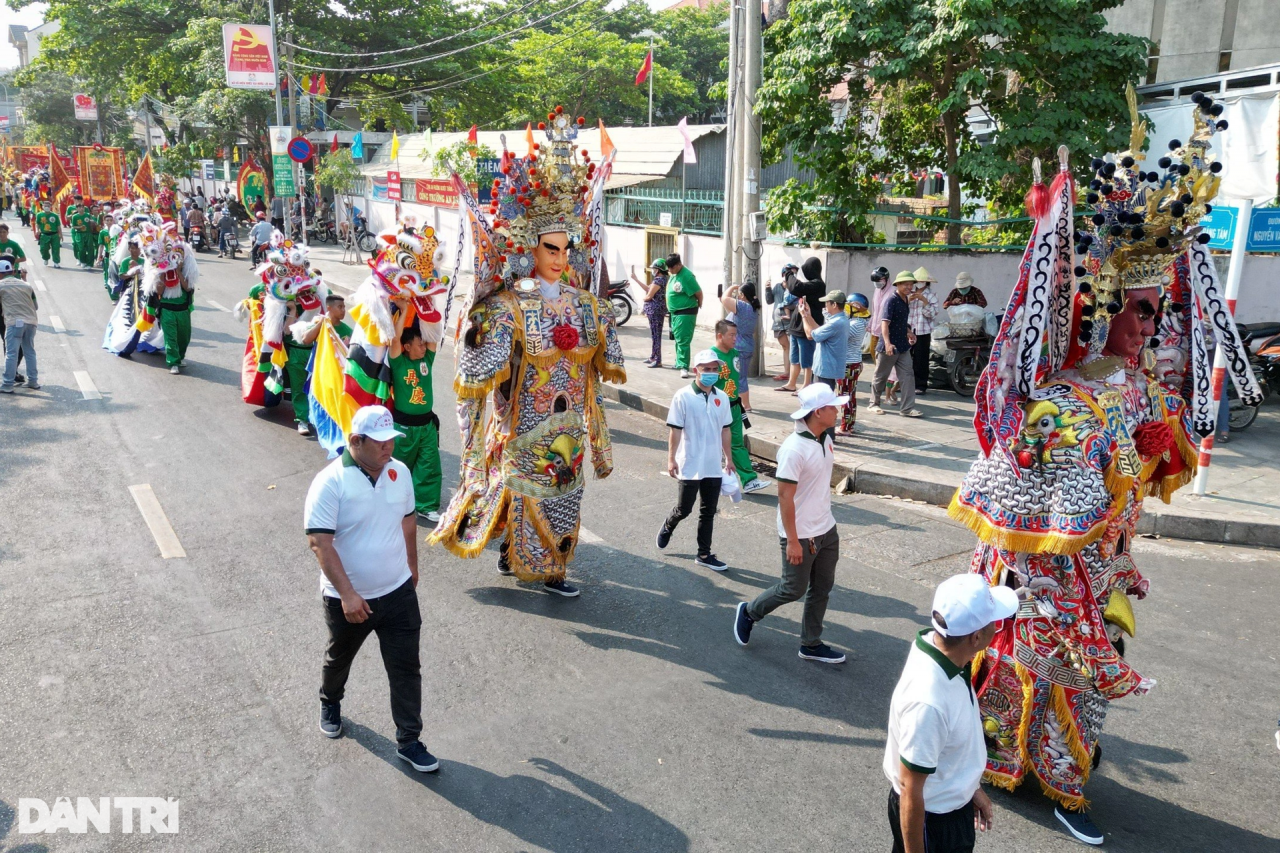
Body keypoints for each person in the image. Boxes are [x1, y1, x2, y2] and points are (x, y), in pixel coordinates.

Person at [947, 98, 1262, 845]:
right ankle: (1039, 777)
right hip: (1045, 579)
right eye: (1143, 313)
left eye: (1159, 314)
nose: (1153, 328)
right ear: (1106, 309)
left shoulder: (1139, 385)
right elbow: (1024, 496)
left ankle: (1057, 767)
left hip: (1104, 568)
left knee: (1087, 675)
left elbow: (1152, 467)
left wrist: (1165, 442)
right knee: (1048, 671)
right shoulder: (1062, 397)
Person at [430, 109, 626, 598]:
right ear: (530, 248)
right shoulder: (509, 306)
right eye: (551, 249)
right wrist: (491, 346)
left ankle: (553, 563)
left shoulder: (588, 306)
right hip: (523, 424)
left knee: (566, 491)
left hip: (569, 426)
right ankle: (525, 559)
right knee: (524, 488)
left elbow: (599, 374)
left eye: (566, 249)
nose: (561, 259)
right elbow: (481, 369)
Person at [303, 405, 438, 772]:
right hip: (349, 601)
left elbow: (409, 521)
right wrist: (347, 595)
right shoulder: (330, 482)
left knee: (407, 667)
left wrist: (412, 566)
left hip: (397, 592)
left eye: (391, 441)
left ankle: (409, 741)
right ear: (355, 441)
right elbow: (320, 542)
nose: (388, 449)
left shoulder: (400, 473)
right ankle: (330, 700)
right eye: (379, 442)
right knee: (339, 659)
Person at [884, 574, 1017, 853]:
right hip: (933, 820)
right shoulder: (928, 702)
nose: (998, 626)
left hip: (945, 806)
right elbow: (910, 789)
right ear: (976, 637)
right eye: (994, 621)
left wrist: (970, 788)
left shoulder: (942, 649)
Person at [733, 383, 847, 664]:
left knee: (822, 589)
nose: (838, 410)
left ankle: (810, 643)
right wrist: (793, 540)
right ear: (818, 412)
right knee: (792, 589)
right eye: (833, 406)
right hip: (802, 534)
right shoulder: (794, 450)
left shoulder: (825, 439)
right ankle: (749, 612)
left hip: (826, 529)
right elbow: (784, 497)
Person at [656, 349, 734, 571]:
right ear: (695, 371)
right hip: (689, 463)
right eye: (706, 369)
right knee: (684, 508)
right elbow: (676, 431)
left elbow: (725, 430)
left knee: (708, 511)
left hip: (712, 464)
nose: (711, 373)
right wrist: (671, 459)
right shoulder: (683, 396)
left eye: (714, 369)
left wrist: (728, 458)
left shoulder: (722, 397)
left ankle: (704, 554)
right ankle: (669, 525)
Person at [388, 297, 442, 523]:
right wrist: (404, 310)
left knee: (429, 466)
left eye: (423, 343)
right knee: (399, 467)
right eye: (419, 344)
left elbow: (433, 336)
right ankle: (393, 503)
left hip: (427, 427)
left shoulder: (426, 360)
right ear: (407, 347)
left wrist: (425, 305)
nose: (423, 346)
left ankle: (426, 506)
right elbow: (395, 338)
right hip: (403, 428)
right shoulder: (399, 362)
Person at [710, 319, 770, 495]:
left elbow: (737, 380)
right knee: (711, 445)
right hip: (718, 408)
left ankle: (749, 480)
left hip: (734, 407)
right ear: (720, 336)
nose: (735, 338)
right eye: (732, 335)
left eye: (736, 335)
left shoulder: (735, 353)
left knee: (736, 444)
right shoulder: (711, 357)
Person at [869, 271, 921, 417]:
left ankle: (907, 408)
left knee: (908, 376)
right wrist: (887, 343)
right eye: (906, 284)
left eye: (910, 284)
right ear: (897, 285)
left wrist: (909, 332)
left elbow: (901, 322)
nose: (909, 287)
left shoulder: (905, 300)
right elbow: (884, 323)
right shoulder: (891, 300)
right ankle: (874, 404)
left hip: (903, 345)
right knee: (881, 376)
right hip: (889, 346)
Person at [778, 257, 826, 391]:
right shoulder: (811, 284)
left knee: (806, 359)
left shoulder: (818, 284)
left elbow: (796, 287)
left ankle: (806, 384)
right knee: (795, 358)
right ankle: (791, 383)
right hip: (796, 326)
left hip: (807, 326)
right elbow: (796, 287)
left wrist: (789, 273)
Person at [0, 258, 39, 392]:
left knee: (11, 353)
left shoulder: (1, 285)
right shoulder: (26, 285)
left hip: (15, 322)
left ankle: (7, 384)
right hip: (32, 322)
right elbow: (35, 306)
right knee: (30, 352)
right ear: (12, 271)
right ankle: (33, 381)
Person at [720, 282, 759, 413]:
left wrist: (732, 287)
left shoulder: (742, 306)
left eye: (739, 294)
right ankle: (736, 401)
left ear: (742, 295)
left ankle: (746, 405)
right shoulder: (752, 308)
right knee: (737, 375)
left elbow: (724, 298)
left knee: (740, 377)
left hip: (739, 347)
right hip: (746, 345)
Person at [802, 289, 850, 391]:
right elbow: (818, 331)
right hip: (828, 369)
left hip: (826, 369)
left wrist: (803, 316)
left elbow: (810, 335)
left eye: (827, 303)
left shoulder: (836, 322)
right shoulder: (840, 319)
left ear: (834, 305)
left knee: (822, 403)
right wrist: (808, 316)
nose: (825, 305)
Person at [838, 293, 871, 433]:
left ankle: (846, 427)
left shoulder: (854, 324)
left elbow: (839, 337)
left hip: (848, 364)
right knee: (850, 395)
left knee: (845, 396)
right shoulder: (861, 322)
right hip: (854, 362)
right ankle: (849, 425)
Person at [665, 252, 701, 378]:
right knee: (678, 339)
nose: (669, 270)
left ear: (679, 265)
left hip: (686, 311)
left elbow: (698, 292)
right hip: (675, 312)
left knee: (683, 340)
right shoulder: (675, 274)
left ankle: (684, 366)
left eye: (672, 267)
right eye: (668, 268)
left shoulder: (687, 276)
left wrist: (699, 305)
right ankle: (679, 362)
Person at [908, 266, 939, 395]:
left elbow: (932, 314)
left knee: (921, 359)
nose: (919, 283)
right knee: (905, 358)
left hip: (923, 331)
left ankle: (920, 385)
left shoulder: (931, 296)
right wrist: (908, 300)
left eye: (922, 281)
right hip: (908, 329)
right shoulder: (908, 293)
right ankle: (903, 383)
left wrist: (924, 301)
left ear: (926, 282)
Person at [632, 258, 668, 367]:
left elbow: (649, 295)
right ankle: (653, 356)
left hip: (656, 311)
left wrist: (644, 299)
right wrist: (636, 280)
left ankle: (658, 360)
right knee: (654, 334)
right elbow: (649, 289)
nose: (653, 270)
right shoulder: (662, 279)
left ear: (659, 270)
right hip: (657, 310)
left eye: (654, 268)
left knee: (656, 335)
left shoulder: (658, 280)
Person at [766, 266, 795, 381]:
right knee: (785, 346)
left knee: (793, 347)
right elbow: (769, 301)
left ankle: (792, 373)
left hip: (790, 322)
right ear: (783, 275)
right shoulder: (777, 287)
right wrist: (767, 289)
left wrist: (788, 307)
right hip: (778, 322)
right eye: (789, 274)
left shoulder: (795, 288)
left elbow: (798, 303)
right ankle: (787, 372)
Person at [34, 200, 62, 268]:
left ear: (51, 207)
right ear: (43, 206)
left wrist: (60, 234)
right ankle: (46, 258)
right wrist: (37, 230)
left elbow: (58, 226)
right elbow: (37, 224)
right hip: (44, 234)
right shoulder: (39, 215)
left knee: (56, 249)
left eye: (48, 206)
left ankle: (56, 262)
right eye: (45, 206)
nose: (47, 207)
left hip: (54, 234)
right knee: (43, 249)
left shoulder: (55, 215)